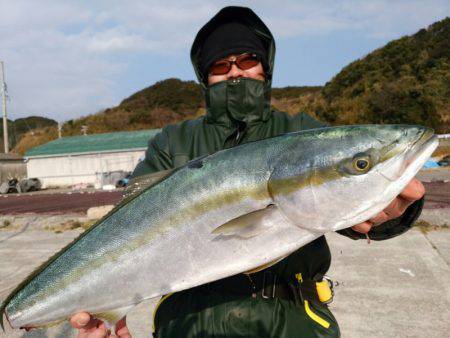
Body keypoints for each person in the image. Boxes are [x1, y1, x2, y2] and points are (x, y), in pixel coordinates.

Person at [70, 6, 425, 338]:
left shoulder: (301, 133)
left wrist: (391, 215)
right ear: (205, 76)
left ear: (265, 67)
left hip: (293, 322)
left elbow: (341, 208)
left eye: (247, 59)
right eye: (221, 66)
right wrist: (108, 305)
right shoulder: (174, 141)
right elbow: (129, 232)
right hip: (188, 325)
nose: (235, 71)